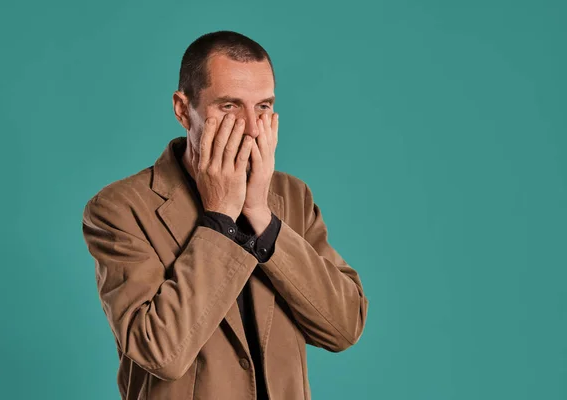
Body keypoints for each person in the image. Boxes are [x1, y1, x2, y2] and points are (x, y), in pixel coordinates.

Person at [82, 30, 369, 400]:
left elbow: (344, 327)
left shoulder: (293, 197)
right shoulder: (119, 209)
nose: (251, 127)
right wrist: (220, 217)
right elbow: (161, 352)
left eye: (263, 106)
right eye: (229, 106)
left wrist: (260, 215)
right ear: (183, 110)